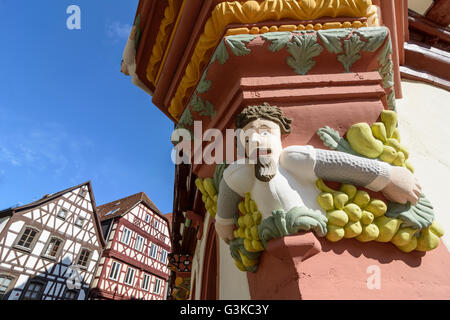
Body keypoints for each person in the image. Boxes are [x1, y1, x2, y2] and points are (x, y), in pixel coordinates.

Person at [215, 103, 422, 244]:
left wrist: (388, 176)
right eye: (248, 140)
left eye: (264, 132)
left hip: (315, 223)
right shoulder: (243, 172)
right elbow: (227, 187)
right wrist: (223, 221)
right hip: (271, 233)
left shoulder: (293, 158)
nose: (257, 142)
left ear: (280, 134)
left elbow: (339, 164)